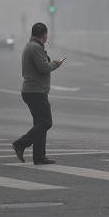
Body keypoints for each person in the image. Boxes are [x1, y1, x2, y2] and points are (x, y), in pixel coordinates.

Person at [12, 22, 65, 165]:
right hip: (35, 92)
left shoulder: (32, 46)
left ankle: (39, 156)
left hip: (34, 91)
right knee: (46, 122)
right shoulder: (35, 48)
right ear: (45, 35)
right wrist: (55, 64)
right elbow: (43, 67)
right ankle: (21, 144)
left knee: (39, 123)